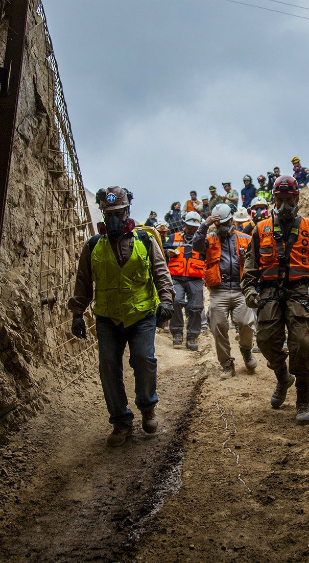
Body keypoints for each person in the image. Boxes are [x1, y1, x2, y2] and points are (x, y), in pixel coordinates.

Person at [70, 186, 175, 446]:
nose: (114, 219)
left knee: (143, 359)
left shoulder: (145, 240)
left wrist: (166, 301)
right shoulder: (93, 245)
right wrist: (77, 314)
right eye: (109, 214)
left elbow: (161, 274)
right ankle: (120, 421)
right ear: (103, 216)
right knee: (108, 366)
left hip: (141, 314)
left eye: (118, 213)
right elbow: (83, 282)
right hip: (108, 317)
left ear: (127, 211)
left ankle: (147, 408)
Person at [240, 175, 309, 425]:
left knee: (301, 344)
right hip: (269, 292)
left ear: (297, 198)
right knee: (264, 340)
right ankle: (283, 377)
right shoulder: (260, 228)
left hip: (299, 292)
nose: (284, 205)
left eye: (289, 199)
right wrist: (249, 289)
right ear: (274, 199)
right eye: (279, 199)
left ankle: (303, 398)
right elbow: (251, 264)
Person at [194, 204, 257, 378]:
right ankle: (227, 364)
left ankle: (246, 350)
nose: (220, 227)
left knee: (246, 323)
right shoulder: (209, 238)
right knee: (219, 327)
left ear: (231, 220)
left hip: (240, 289)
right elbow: (197, 246)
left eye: (223, 223)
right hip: (218, 291)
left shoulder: (245, 238)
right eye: (217, 224)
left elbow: (255, 264)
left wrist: (246, 260)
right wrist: (204, 225)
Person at [165, 211, 206, 351]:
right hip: (176, 277)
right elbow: (162, 251)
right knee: (175, 301)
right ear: (183, 225)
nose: (193, 229)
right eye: (190, 226)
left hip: (196, 277)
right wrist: (167, 252)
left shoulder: (203, 240)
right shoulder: (173, 237)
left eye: (195, 227)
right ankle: (177, 333)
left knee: (196, 307)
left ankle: (192, 336)